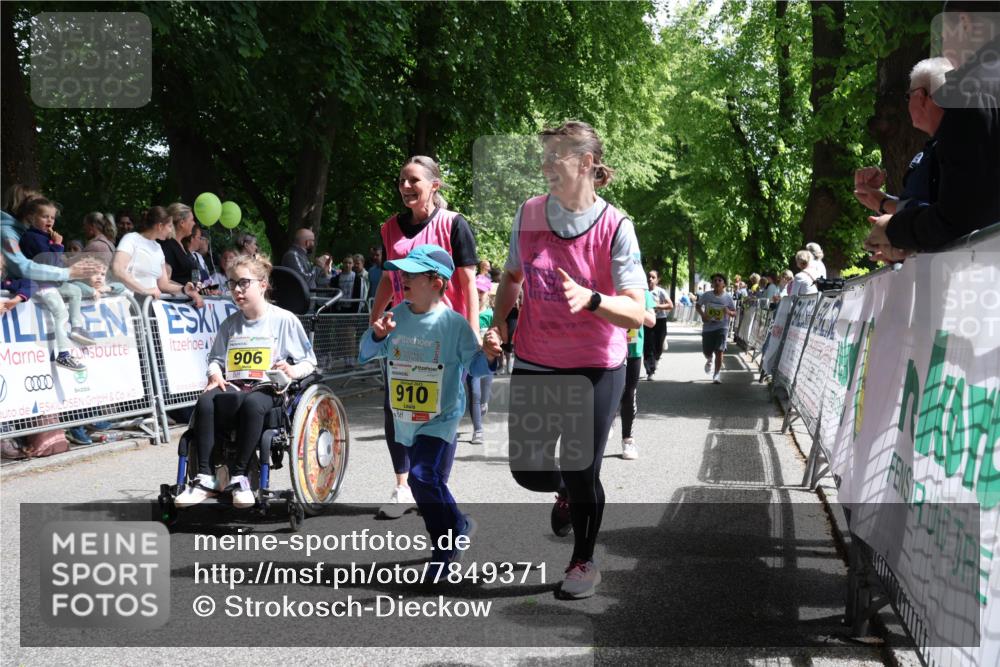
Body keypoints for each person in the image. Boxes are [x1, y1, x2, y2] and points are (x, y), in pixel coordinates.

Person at [491, 121, 646, 599]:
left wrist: (593, 300)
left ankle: (583, 559)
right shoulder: (531, 213)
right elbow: (513, 277)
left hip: (595, 364)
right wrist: (497, 325)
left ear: (584, 163)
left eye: (554, 156)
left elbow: (637, 311)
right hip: (538, 358)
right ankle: (565, 490)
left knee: (583, 467)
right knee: (529, 470)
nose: (544, 166)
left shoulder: (616, 226)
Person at [359, 244, 501, 569]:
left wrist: (491, 355)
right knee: (422, 482)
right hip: (405, 418)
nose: (403, 278)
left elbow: (476, 368)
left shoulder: (454, 324)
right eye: (403, 272)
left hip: (442, 417)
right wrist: (378, 336)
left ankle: (445, 550)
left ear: (436, 282)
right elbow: (365, 352)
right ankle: (460, 525)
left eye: (412, 273)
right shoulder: (395, 316)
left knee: (423, 476)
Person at [369, 155, 479, 519]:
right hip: (403, 333)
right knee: (396, 406)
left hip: (444, 336)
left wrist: (474, 333)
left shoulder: (453, 225)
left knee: (439, 409)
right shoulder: (389, 228)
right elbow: (388, 278)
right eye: (401, 180)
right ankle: (403, 486)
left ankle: (431, 483)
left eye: (413, 180)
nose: (405, 186)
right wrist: (374, 323)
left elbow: (467, 283)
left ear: (434, 185)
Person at [175, 254, 318, 509]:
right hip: (233, 385)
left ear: (263, 284)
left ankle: (240, 477)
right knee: (206, 402)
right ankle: (205, 478)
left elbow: (309, 362)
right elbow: (215, 358)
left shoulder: (283, 320)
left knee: (253, 404)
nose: (237, 290)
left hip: (268, 387)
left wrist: (292, 370)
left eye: (243, 283)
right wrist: (215, 373)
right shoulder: (230, 324)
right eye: (232, 284)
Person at [866, 4, 1000, 259]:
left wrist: (893, 229)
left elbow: (959, 219)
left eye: (942, 35)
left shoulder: (970, 92)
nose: (944, 52)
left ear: (964, 24)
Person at [855, 58, 953, 224]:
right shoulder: (934, 147)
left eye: (908, 96)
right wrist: (879, 199)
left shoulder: (954, 146)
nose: (907, 104)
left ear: (920, 96)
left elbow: (939, 215)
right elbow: (919, 207)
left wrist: (883, 202)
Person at [15, 197, 97, 370]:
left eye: (52, 217)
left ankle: (76, 328)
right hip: (40, 283)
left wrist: (56, 245)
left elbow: (57, 264)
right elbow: (49, 262)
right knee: (60, 314)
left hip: (51, 281)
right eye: (45, 216)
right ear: (32, 217)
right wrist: (58, 245)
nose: (50, 220)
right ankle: (63, 355)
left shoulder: (46, 237)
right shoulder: (31, 237)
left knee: (75, 290)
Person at [111, 206, 205, 306]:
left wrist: (183, 289)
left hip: (150, 307)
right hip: (127, 304)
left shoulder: (158, 248)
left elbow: (163, 284)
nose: (170, 231)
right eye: (169, 226)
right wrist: (144, 290)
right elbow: (118, 269)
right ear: (160, 226)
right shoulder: (131, 239)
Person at [620, 288, 656, 459]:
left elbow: (651, 321)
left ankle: (628, 440)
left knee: (629, 393)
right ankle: (610, 416)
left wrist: (628, 306)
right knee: (606, 393)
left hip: (632, 349)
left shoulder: (643, 292)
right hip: (605, 349)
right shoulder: (603, 283)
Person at [467, 274, 495, 445]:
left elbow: (498, 334)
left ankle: (483, 404)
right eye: (475, 290)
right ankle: (478, 430)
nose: (477, 294)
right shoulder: (468, 312)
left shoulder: (491, 314)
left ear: (487, 294)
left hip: (488, 359)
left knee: (484, 395)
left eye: (481, 292)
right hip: (471, 360)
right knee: (474, 393)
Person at [697, 273, 737, 385]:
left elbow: (734, 313)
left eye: (720, 280)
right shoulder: (706, 295)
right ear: (712, 284)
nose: (717, 282)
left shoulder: (727, 297)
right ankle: (709, 359)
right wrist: (703, 315)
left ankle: (717, 374)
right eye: (715, 280)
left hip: (722, 327)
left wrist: (728, 312)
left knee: (719, 350)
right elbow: (697, 306)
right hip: (708, 327)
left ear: (724, 284)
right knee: (706, 350)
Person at [642, 270, 673, 381]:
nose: (650, 279)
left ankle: (656, 359)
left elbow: (670, 305)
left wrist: (657, 306)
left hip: (660, 320)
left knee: (659, 346)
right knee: (648, 346)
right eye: (648, 277)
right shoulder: (642, 291)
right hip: (646, 321)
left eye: (653, 277)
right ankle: (650, 371)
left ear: (657, 280)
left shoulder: (660, 291)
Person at [160, 203, 198, 285]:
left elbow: (193, 272)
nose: (194, 223)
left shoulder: (183, 245)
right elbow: (164, 281)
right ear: (182, 223)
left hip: (191, 295)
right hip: (175, 297)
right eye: (191, 220)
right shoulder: (167, 246)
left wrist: (200, 286)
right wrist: (184, 289)